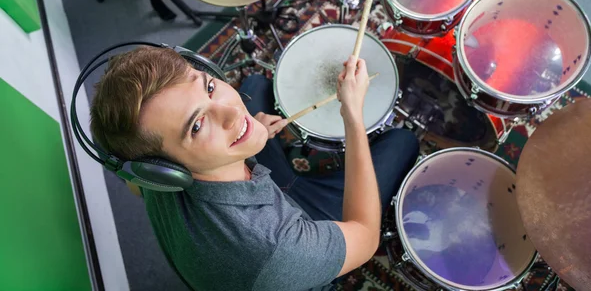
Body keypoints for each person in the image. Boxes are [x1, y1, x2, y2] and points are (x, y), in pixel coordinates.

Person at [90, 46, 419, 291]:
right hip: (285, 235)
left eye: (208, 87)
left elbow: (135, 186)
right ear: (165, 170)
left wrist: (250, 135)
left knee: (257, 84)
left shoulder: (151, 176)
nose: (232, 111)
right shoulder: (276, 249)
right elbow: (364, 236)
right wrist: (352, 115)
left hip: (239, 193)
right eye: (197, 125)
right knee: (403, 142)